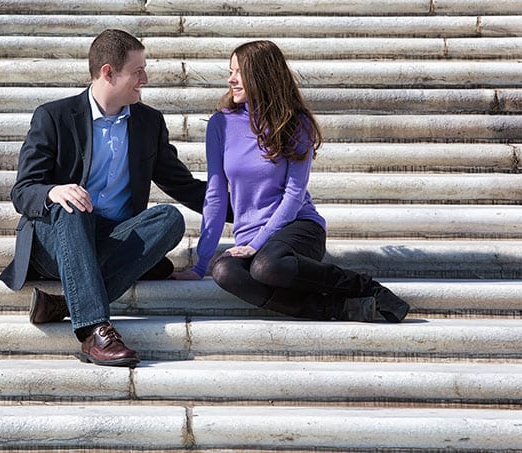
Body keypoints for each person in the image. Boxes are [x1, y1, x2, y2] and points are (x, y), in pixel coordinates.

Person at [0, 29, 209, 367]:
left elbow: (183, 184)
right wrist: (54, 190)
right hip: (59, 238)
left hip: (112, 239)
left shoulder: (148, 122)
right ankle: (94, 329)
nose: (146, 78)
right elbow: (23, 190)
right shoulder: (54, 117)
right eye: (137, 70)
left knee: (169, 219)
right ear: (109, 72)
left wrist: (248, 211)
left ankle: (66, 304)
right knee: (74, 203)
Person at [172, 40, 410, 323]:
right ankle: (338, 309)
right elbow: (215, 195)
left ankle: (364, 286)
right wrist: (201, 264)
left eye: (238, 72)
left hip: (298, 228)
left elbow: (294, 196)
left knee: (267, 267)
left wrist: (257, 244)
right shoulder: (220, 123)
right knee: (224, 271)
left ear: (261, 75)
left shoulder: (295, 123)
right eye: (230, 71)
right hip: (252, 238)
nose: (230, 79)